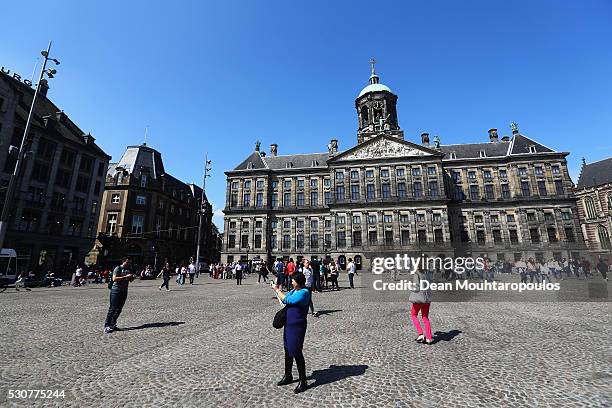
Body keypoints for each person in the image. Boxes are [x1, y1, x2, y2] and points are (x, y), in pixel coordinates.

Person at [272, 272, 310, 394]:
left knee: (297, 352)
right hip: (288, 324)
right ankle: (288, 375)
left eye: (293, 280)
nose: (291, 282)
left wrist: (277, 290)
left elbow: (288, 300)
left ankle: (303, 381)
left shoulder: (304, 292)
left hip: (297, 327)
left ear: (298, 281)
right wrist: (277, 292)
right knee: (287, 350)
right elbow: (285, 301)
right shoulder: (294, 290)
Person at [104, 258, 134, 334]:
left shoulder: (129, 269)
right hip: (116, 291)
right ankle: (106, 325)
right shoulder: (118, 268)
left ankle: (112, 324)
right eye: (127, 262)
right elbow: (114, 279)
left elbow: (130, 280)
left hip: (124, 291)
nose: (129, 263)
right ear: (123, 261)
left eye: (130, 262)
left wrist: (131, 277)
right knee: (112, 308)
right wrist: (125, 277)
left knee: (119, 309)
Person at [409, 268, 433, 345]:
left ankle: (421, 334)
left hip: (419, 298)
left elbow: (416, 287)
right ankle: (429, 338)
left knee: (413, 315)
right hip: (427, 298)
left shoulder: (417, 273)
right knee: (425, 317)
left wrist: (410, 287)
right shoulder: (427, 272)